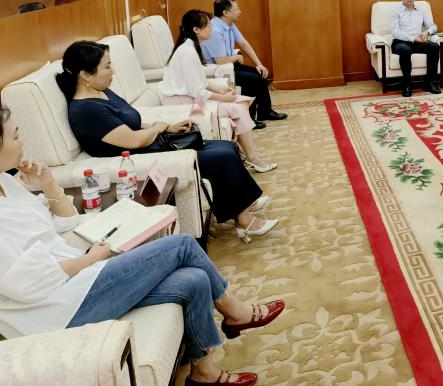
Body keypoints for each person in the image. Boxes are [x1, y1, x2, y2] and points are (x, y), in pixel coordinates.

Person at [0, 103, 285, 386]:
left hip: (77, 283)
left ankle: (203, 372)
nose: (22, 141)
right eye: (14, 136)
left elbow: (65, 224)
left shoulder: (5, 183)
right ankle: (237, 312)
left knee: (194, 280)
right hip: (57, 309)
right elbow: (26, 282)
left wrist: (48, 183)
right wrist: (90, 259)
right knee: (181, 246)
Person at [59, 41, 279, 243]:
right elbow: (133, 140)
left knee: (227, 147)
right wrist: (158, 127)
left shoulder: (102, 92)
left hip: (154, 143)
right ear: (85, 74)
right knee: (221, 156)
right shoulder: (87, 110)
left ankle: (242, 208)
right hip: (142, 156)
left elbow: (131, 123)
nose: (112, 71)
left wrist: (167, 127)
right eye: (107, 67)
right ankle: (244, 220)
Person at [163, 10, 276, 173]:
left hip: (192, 100)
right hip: (186, 105)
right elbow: (197, 92)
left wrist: (220, 89)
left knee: (242, 101)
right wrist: (224, 98)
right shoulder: (187, 52)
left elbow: (199, 80)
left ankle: (244, 154)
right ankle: (253, 158)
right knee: (237, 107)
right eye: (208, 26)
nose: (212, 29)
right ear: (196, 30)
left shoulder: (190, 47)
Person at [200, 0, 287, 125]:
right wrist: (237, 57)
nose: (240, 11)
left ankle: (265, 111)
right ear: (226, 13)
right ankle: (248, 119)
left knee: (259, 73)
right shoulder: (215, 30)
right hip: (218, 70)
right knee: (251, 79)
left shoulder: (229, 25)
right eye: (236, 9)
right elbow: (220, 61)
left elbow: (243, 43)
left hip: (229, 65)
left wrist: (259, 64)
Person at [390, 0, 442, 97]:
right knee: (405, 50)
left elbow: (433, 26)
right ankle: (407, 84)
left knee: (434, 47)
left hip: (418, 42)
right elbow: (394, 31)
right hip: (401, 42)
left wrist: (426, 32)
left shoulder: (421, 10)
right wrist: (412, 38)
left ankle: (429, 82)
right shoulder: (396, 11)